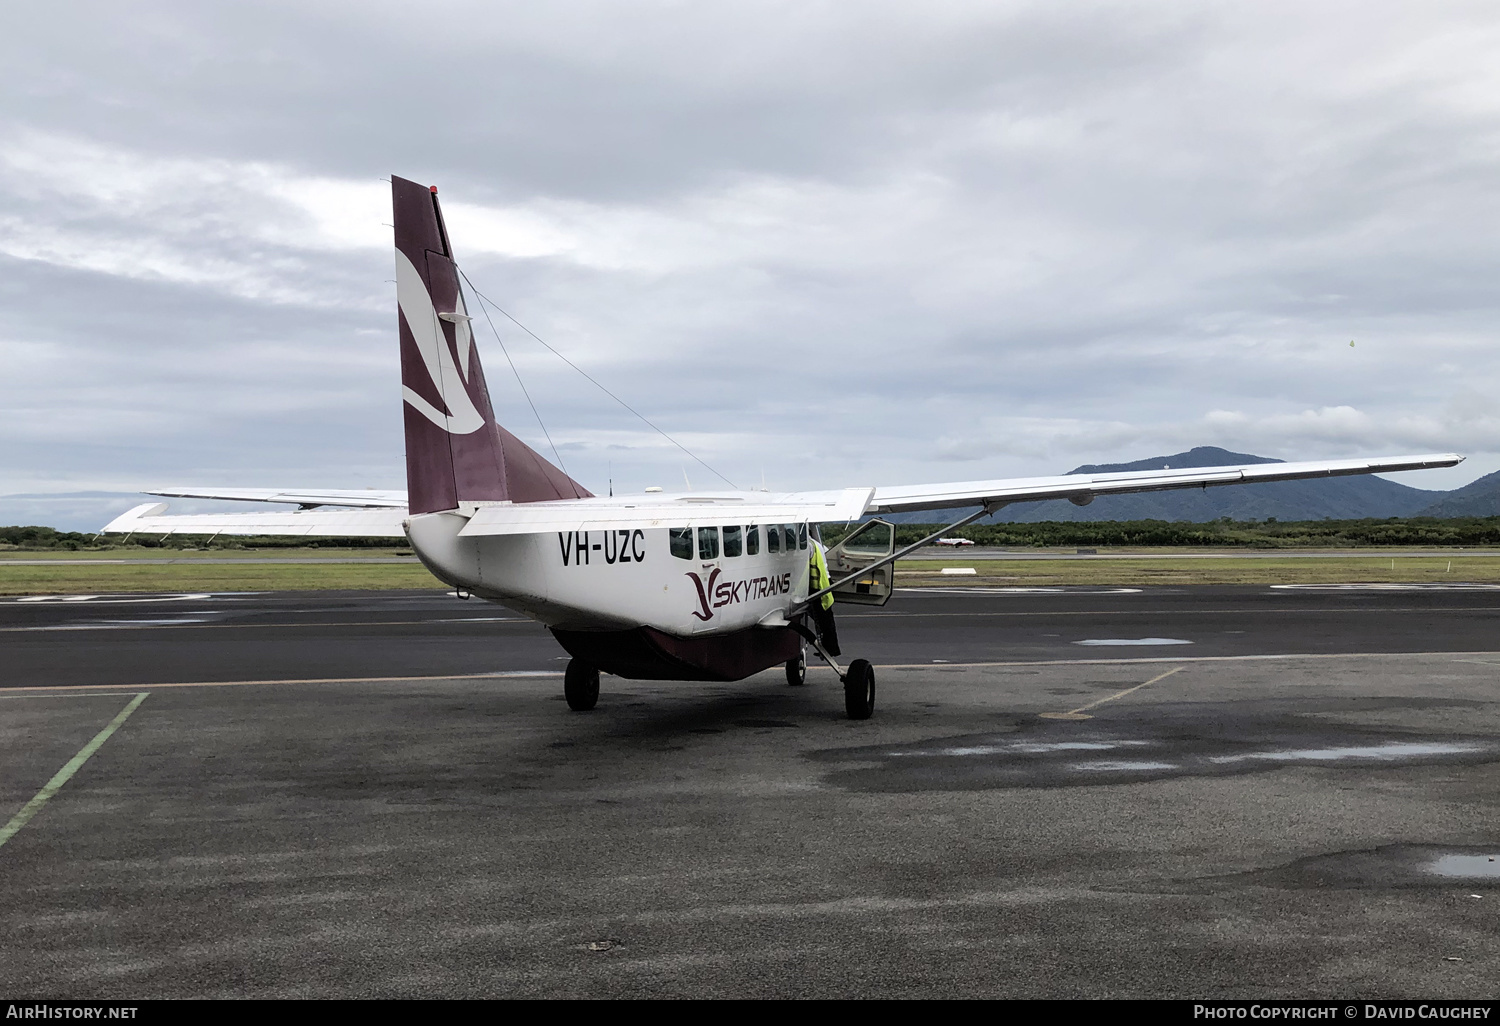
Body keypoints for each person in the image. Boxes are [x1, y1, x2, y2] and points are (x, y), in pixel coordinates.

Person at [808, 537, 841, 656]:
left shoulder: (807, 546)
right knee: (825, 619)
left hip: (818, 586)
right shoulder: (816, 544)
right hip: (823, 582)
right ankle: (829, 647)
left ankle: (831, 649)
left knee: (823, 619)